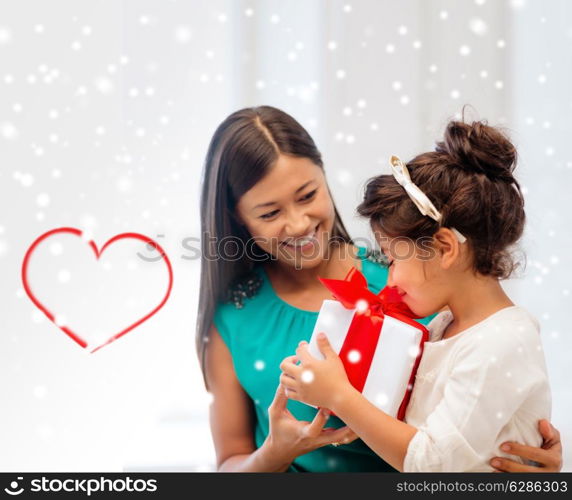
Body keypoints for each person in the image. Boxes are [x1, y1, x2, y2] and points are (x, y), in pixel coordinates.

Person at [197, 105, 562, 472]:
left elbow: (463, 432)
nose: (297, 223)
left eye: (307, 195)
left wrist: (528, 456)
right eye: (270, 213)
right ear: (237, 218)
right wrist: (275, 452)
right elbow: (229, 463)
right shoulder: (233, 316)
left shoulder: (419, 287)